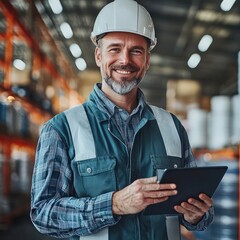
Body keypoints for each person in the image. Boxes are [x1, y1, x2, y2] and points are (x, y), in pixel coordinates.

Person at [30, 0, 214, 239]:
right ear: (98, 55)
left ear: (147, 60)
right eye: (114, 49)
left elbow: (199, 210)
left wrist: (196, 215)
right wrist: (114, 204)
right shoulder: (61, 129)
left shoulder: (172, 126)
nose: (125, 60)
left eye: (136, 50)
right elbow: (43, 214)